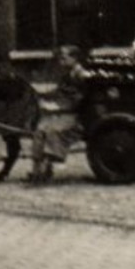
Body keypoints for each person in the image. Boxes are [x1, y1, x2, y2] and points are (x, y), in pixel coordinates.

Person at [29, 44, 89, 183]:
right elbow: (59, 92)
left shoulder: (81, 75)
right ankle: (38, 169)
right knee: (40, 129)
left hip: (75, 115)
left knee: (53, 131)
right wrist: (42, 95)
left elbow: (81, 98)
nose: (60, 62)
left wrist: (57, 107)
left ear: (74, 58)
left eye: (64, 58)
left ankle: (46, 167)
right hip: (63, 112)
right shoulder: (68, 74)